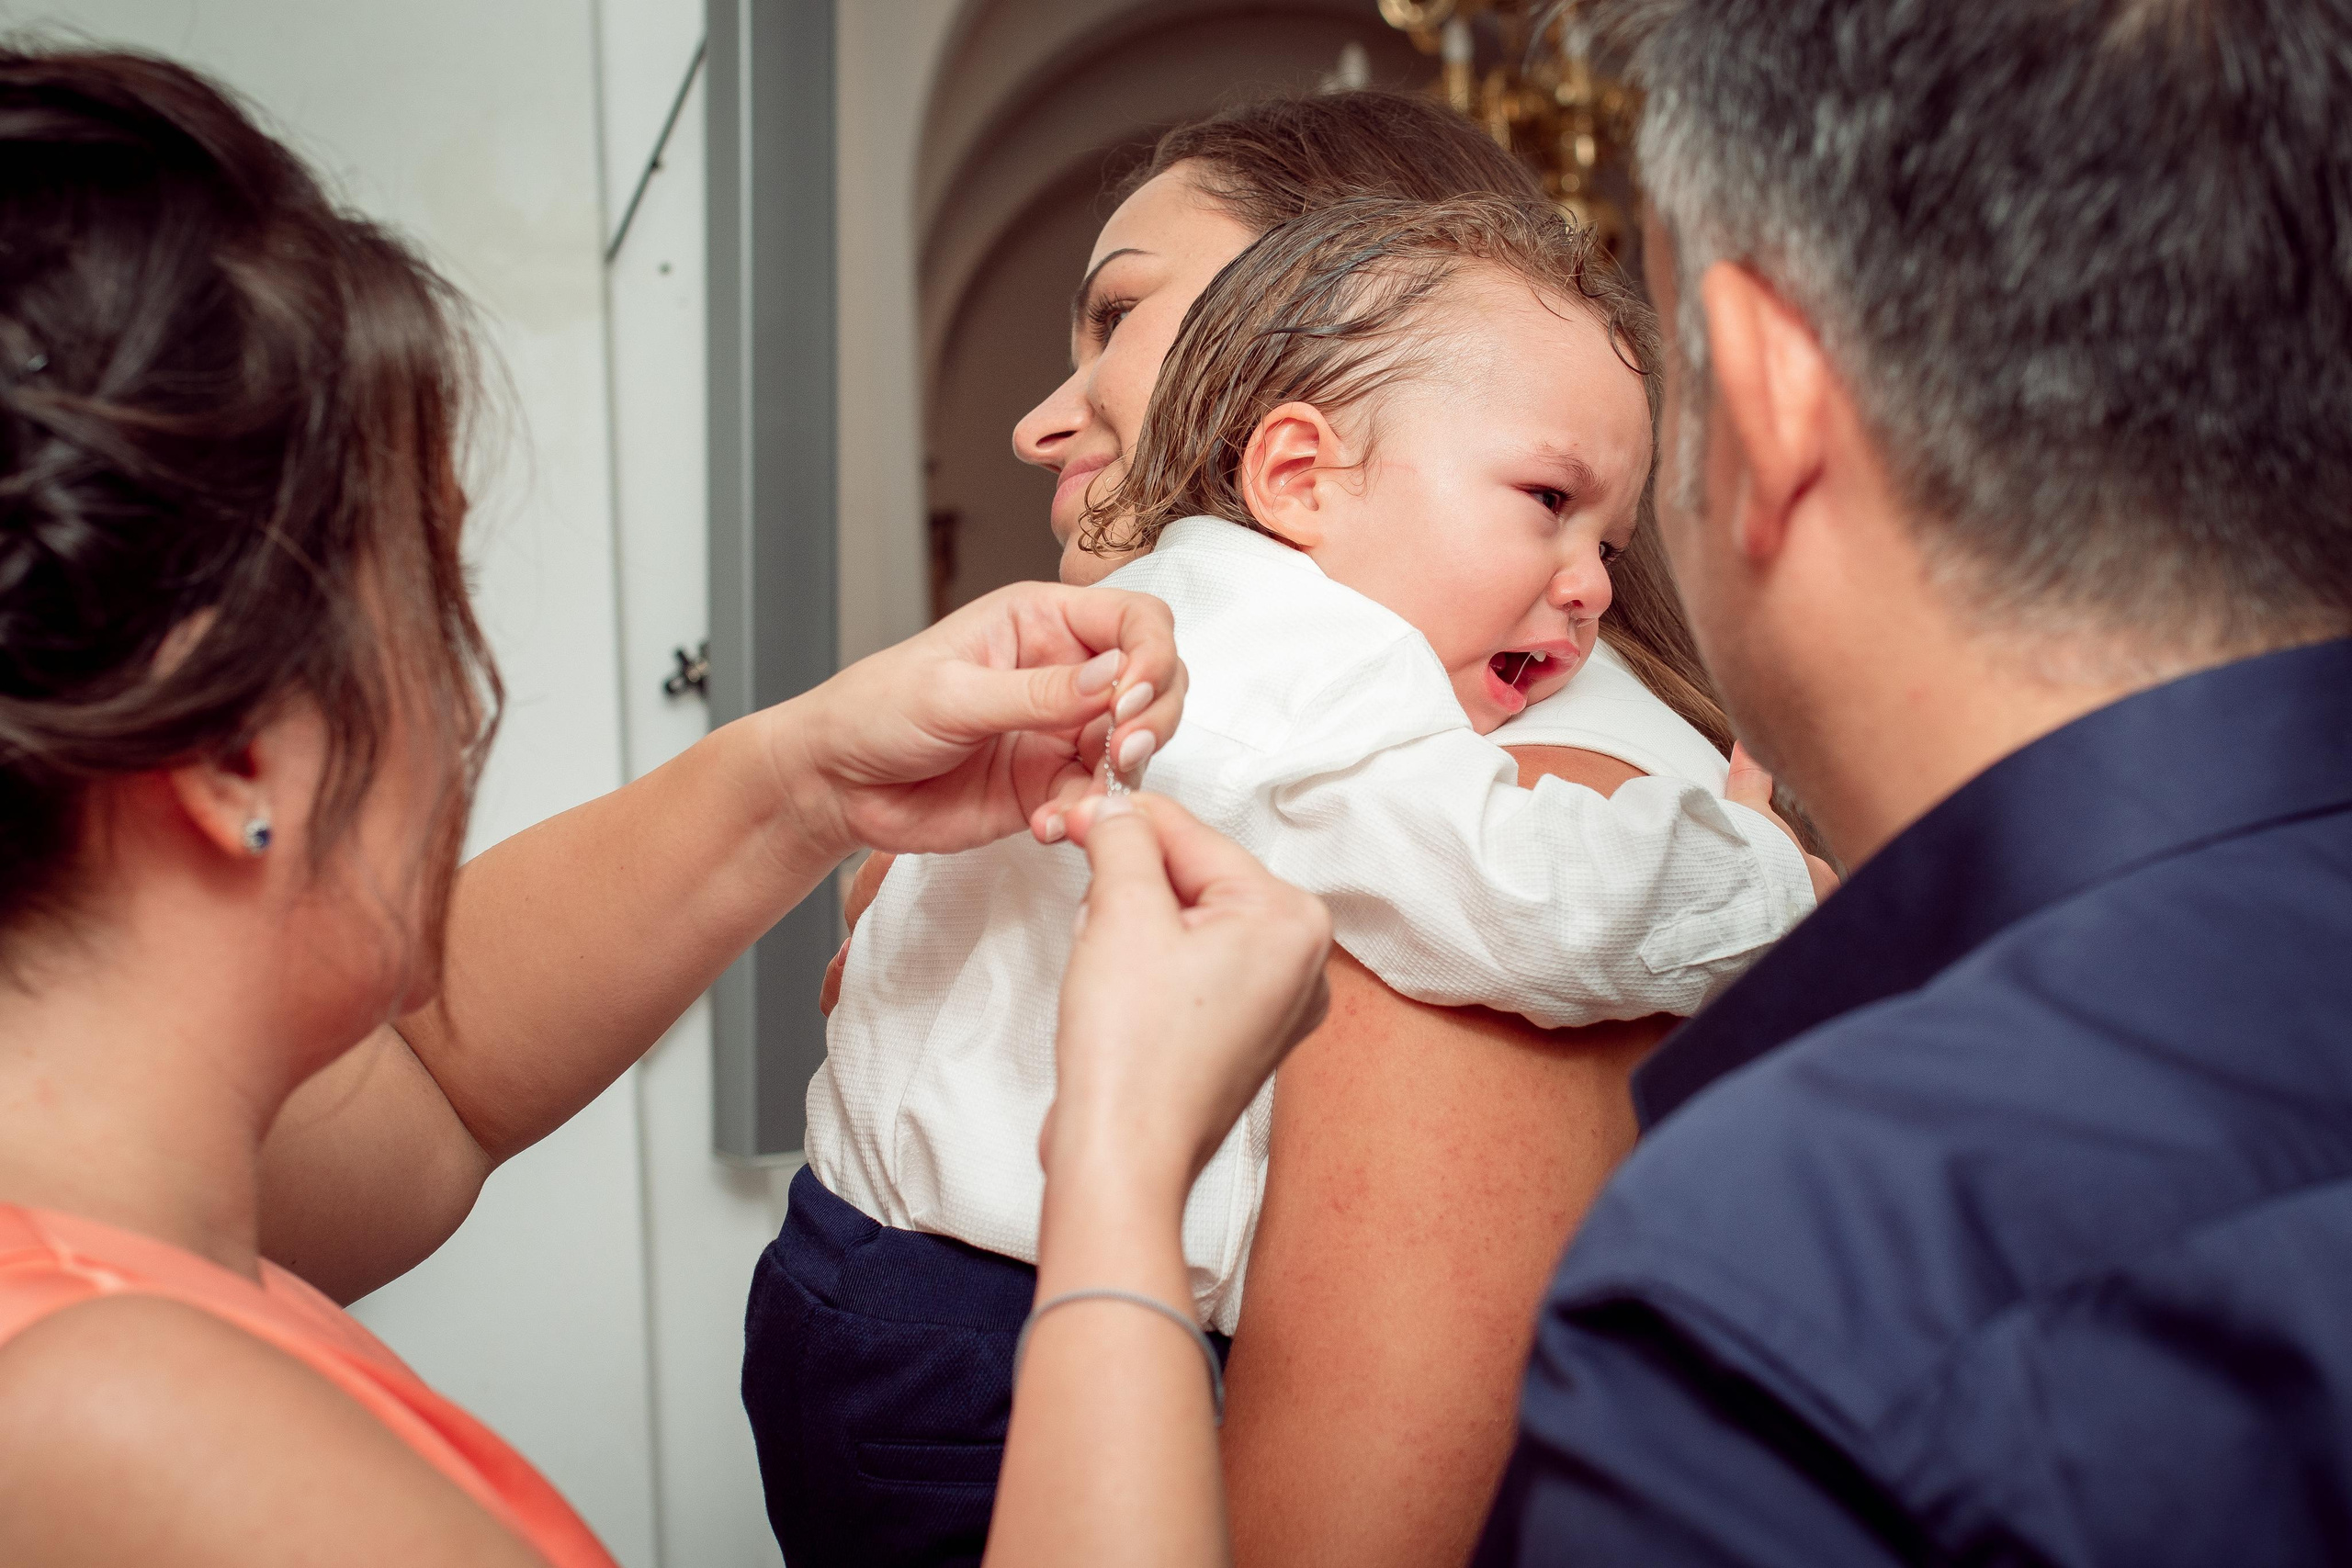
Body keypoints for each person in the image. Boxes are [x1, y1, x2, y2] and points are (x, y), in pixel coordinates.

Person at [989, 1, 2352, 1564]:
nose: (1048, 420)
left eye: (1124, 316)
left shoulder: (1784, 1279)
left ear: (1765, 401)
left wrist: (1107, 1181)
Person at [0, 48, 1189, 1567]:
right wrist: (1122, 1154)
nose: (465, 694)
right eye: (432, 595)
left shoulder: (117, 1191)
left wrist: (813, 777)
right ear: (237, 749)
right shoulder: (120, 1430)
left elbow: (436, 1080)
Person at [756, 90, 1763, 1568]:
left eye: (1120, 315)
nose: (1039, 421)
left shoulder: (1543, 781)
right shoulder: (1292, 669)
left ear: (1320, 313)